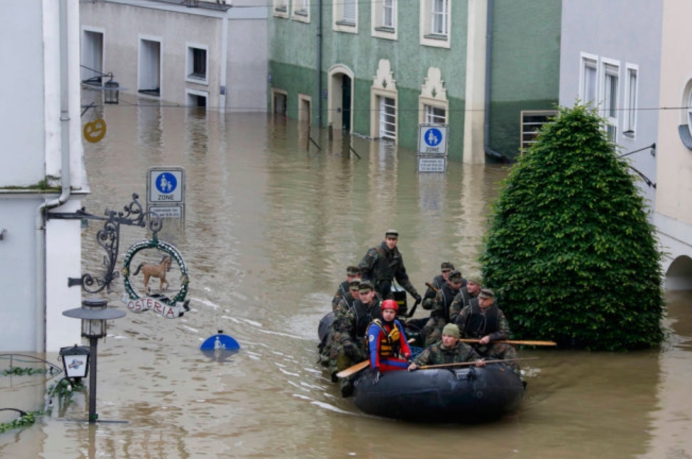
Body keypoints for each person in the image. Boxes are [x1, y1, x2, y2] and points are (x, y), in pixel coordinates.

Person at [329, 280, 382, 396]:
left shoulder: (382, 309)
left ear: (373, 293)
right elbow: (344, 328)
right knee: (343, 351)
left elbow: (394, 326)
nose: (363, 296)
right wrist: (346, 341)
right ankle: (345, 382)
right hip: (361, 348)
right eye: (361, 294)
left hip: (380, 348)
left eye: (366, 293)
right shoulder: (354, 309)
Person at [454, 288, 519, 372]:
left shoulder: (498, 313)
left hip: (488, 345)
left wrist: (489, 337)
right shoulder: (467, 310)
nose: (481, 301)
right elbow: (457, 329)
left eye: (485, 299)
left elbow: (505, 332)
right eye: (480, 298)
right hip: (469, 344)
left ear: (491, 301)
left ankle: (515, 375)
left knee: (509, 349)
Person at [358, 230, 422, 309]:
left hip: (387, 290)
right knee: (379, 308)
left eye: (393, 240)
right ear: (385, 239)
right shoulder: (375, 253)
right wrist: (367, 289)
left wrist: (415, 294)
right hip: (374, 289)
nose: (391, 242)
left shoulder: (397, 257)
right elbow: (363, 269)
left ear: (396, 241)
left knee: (392, 309)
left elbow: (402, 278)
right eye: (389, 239)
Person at [408, 324, 485, 370]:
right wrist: (415, 364)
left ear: (456, 338)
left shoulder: (466, 349)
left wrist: (478, 363)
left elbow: (475, 359)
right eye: (444, 336)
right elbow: (420, 359)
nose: (445, 339)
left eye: (449, 336)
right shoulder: (433, 349)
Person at [367, 299, 412, 373]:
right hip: (380, 361)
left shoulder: (396, 324)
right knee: (407, 366)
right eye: (386, 311)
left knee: (411, 364)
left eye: (391, 312)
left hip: (390, 358)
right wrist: (376, 368)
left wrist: (409, 358)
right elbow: (374, 350)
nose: (388, 314)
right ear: (382, 312)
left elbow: (403, 343)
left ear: (395, 314)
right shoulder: (375, 327)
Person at [421, 270, 464, 346]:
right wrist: (443, 326)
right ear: (449, 282)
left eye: (460, 282)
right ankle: (427, 350)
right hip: (443, 318)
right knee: (428, 331)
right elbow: (437, 312)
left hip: (459, 320)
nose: (458, 285)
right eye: (455, 283)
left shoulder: (464, 291)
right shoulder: (441, 294)